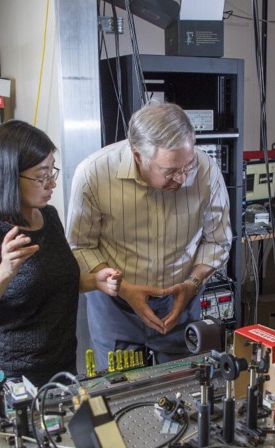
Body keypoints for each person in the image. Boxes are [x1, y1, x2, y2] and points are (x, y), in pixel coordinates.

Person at [0, 120, 121, 393]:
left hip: (60, 365)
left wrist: (93, 281)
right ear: (8, 175)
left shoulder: (49, 217)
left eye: (51, 171)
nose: (51, 183)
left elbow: (49, 281)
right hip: (10, 376)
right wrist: (5, 270)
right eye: (41, 175)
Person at [67, 101, 232, 369]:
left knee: (185, 385)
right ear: (137, 155)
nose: (182, 178)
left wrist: (192, 283)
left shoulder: (206, 169)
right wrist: (124, 288)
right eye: (170, 171)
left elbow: (217, 240)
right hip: (115, 307)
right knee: (121, 391)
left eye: (187, 166)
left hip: (180, 302)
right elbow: (80, 245)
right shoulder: (94, 174)